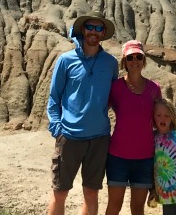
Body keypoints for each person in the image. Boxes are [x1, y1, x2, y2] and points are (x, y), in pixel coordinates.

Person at [48, 12, 119, 215]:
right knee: (59, 192)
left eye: (99, 28)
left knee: (91, 192)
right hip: (69, 137)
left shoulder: (110, 63)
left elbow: (115, 98)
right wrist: (57, 129)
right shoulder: (65, 60)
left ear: (103, 33)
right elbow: (54, 98)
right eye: (90, 27)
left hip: (99, 138)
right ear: (83, 30)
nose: (94, 32)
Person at [105, 41, 162, 215]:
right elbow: (99, 111)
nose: (135, 60)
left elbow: (161, 120)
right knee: (114, 205)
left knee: (137, 208)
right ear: (124, 61)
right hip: (118, 157)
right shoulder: (115, 87)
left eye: (139, 56)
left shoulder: (154, 89)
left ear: (143, 60)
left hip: (145, 158)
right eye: (130, 57)